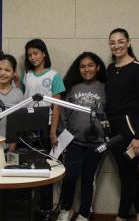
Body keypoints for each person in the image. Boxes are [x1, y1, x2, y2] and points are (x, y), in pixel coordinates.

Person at [56, 52, 107, 221]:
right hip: (74, 141)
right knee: (69, 176)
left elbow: (112, 114)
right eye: (83, 66)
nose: (87, 69)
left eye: (90, 65)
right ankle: (65, 209)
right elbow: (63, 113)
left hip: (97, 143)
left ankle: (84, 214)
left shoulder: (105, 87)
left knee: (87, 179)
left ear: (97, 67)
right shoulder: (73, 88)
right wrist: (62, 135)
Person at [105, 28, 139, 221]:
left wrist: (138, 135)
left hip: (132, 128)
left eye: (121, 41)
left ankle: (121, 217)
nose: (117, 45)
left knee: (128, 174)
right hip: (115, 130)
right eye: (113, 42)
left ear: (129, 42)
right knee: (128, 172)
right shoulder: (110, 69)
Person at [22, 38, 65, 221]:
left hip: (47, 127)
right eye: (30, 54)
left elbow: (57, 106)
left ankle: (46, 210)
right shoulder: (27, 76)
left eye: (36, 53)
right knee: (29, 167)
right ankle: (32, 209)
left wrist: (53, 131)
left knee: (45, 169)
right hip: (29, 127)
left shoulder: (54, 76)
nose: (33, 57)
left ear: (44, 54)